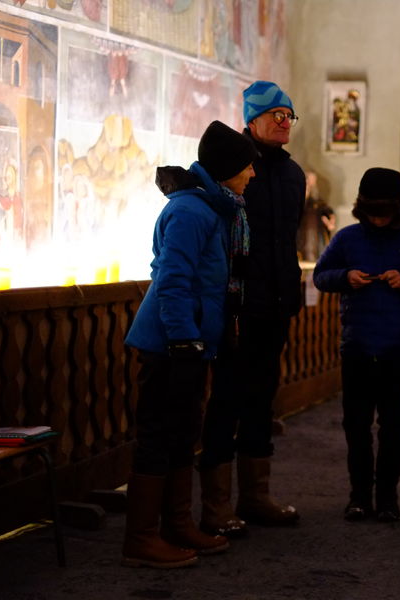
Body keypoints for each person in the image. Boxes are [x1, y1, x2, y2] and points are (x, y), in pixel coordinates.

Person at [122, 120, 257, 568]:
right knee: (158, 434)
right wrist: (183, 341)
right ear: (225, 170)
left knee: (182, 434)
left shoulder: (212, 208)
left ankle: (176, 525)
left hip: (192, 343)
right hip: (170, 344)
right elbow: (173, 281)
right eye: (246, 167)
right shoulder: (190, 212)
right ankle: (141, 538)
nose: (252, 175)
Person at [198, 81, 305, 537]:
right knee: (227, 401)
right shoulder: (234, 165)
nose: (284, 122)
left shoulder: (295, 174)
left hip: (277, 302)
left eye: (289, 115)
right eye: (275, 114)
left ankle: (255, 496)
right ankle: (216, 506)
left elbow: (286, 242)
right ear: (252, 119)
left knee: (262, 399)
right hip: (240, 304)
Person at [313, 168, 400, 523]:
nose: (378, 219)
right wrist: (345, 277)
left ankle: (388, 498)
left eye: (385, 212)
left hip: (397, 348)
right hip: (357, 346)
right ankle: (359, 496)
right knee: (356, 425)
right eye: (372, 212)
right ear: (361, 208)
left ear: (399, 208)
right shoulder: (347, 239)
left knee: (394, 427)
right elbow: (321, 276)